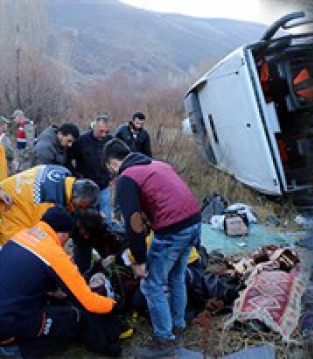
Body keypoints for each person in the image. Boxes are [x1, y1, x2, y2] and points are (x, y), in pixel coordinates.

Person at [103, 139, 200, 348]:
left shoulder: (126, 177)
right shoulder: (159, 165)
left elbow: (133, 222)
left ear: (112, 163)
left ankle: (164, 338)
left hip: (173, 230)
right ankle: (178, 324)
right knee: (176, 276)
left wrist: (139, 260)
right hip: (194, 223)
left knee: (151, 284)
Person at [0, 206, 115, 358]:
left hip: (8, 308)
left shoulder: (19, 236)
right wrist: (112, 304)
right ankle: (15, 348)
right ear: (63, 232)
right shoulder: (54, 254)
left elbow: (23, 278)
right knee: (74, 316)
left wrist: (52, 292)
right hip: (9, 326)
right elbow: (88, 302)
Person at [0, 164, 99, 245]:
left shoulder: (59, 170)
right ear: (75, 197)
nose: (78, 210)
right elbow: (40, 239)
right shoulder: (51, 206)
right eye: (79, 207)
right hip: (7, 215)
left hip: (5, 189)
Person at [73, 115, 116, 229]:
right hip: (85, 188)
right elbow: (69, 158)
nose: (104, 135)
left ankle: (107, 238)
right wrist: (77, 176)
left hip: (104, 185)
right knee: (86, 218)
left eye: (106, 132)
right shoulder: (82, 140)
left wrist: (112, 176)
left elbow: (116, 160)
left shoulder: (111, 141)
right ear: (94, 128)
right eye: (101, 131)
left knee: (106, 217)